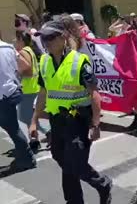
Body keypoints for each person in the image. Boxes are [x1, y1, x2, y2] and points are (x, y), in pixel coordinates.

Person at [29, 21, 112, 204]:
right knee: (62, 160)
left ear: (63, 37)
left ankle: (102, 184)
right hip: (57, 121)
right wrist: (34, 120)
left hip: (78, 120)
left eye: (50, 37)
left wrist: (96, 124)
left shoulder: (79, 61)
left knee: (76, 164)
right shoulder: (44, 62)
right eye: (43, 38)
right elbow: (43, 92)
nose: (46, 42)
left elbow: (95, 95)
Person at [0, 34, 36, 172]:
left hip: (3, 95)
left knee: (12, 128)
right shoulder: (9, 47)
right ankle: (26, 157)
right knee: (11, 126)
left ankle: (27, 158)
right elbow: (26, 66)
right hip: (11, 91)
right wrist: (12, 76)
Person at [14, 31, 50, 151]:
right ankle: (35, 140)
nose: (15, 42)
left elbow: (28, 70)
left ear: (21, 40)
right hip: (33, 87)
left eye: (16, 39)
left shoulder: (23, 51)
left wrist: (17, 73)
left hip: (28, 89)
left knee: (24, 117)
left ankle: (46, 134)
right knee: (29, 117)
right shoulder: (30, 50)